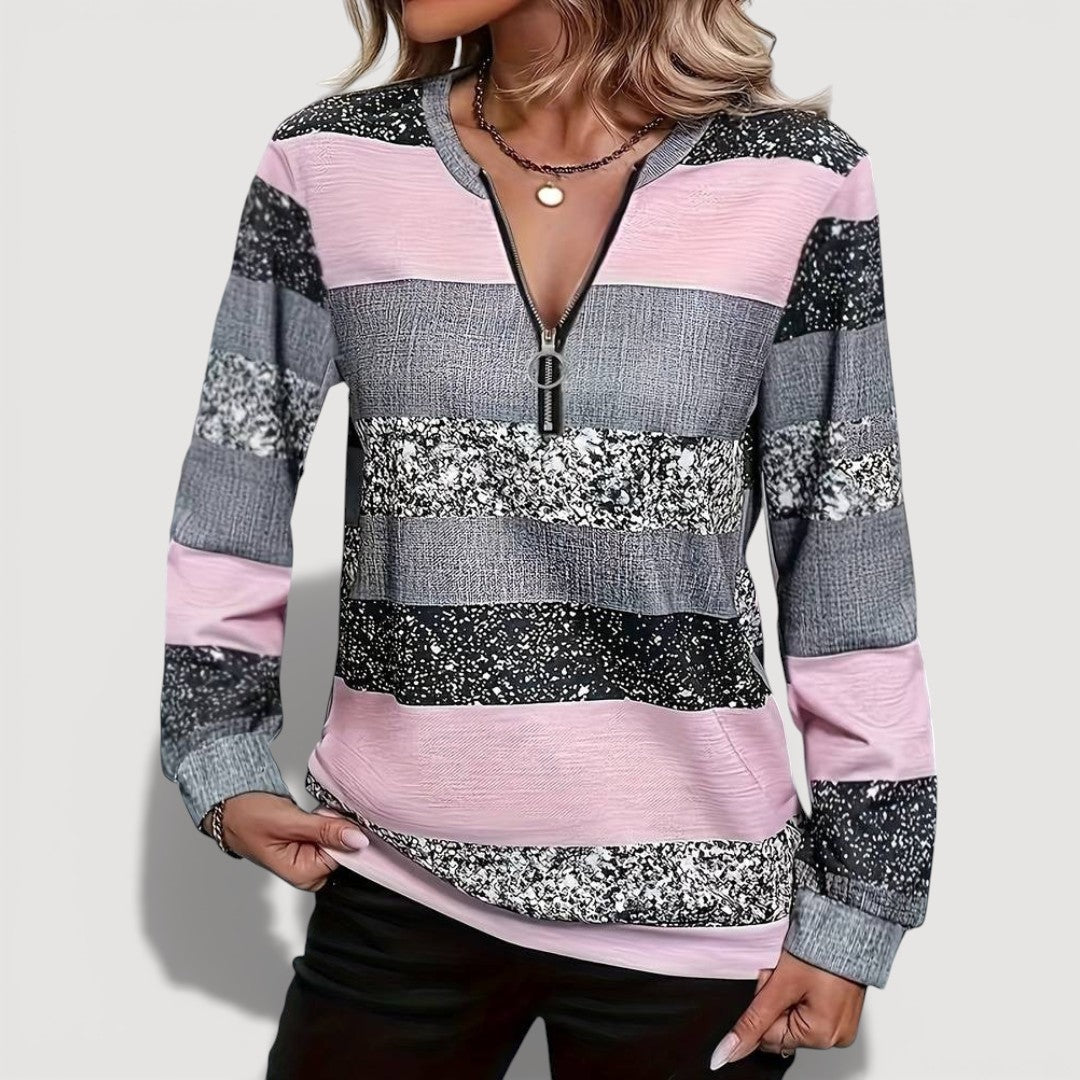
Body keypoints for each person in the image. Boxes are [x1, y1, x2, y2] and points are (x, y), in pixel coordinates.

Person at [158, 1, 938, 1076]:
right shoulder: (330, 159)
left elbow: (847, 547)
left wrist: (860, 905)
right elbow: (235, 476)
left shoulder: (798, 175)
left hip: (699, 909)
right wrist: (217, 750)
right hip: (394, 880)